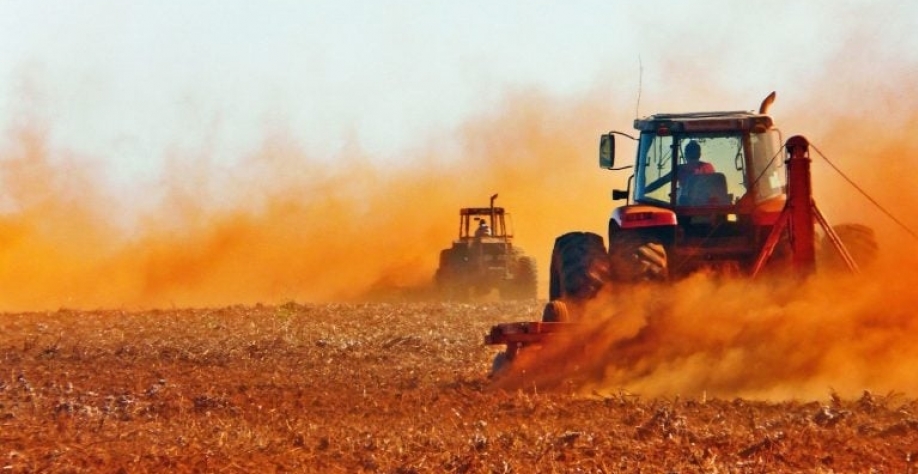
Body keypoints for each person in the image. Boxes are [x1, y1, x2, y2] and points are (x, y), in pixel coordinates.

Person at [644, 140, 715, 194]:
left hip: (685, 203)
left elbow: (661, 181)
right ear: (699, 154)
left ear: (685, 155)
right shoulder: (708, 167)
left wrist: (644, 191)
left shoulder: (680, 169)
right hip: (706, 203)